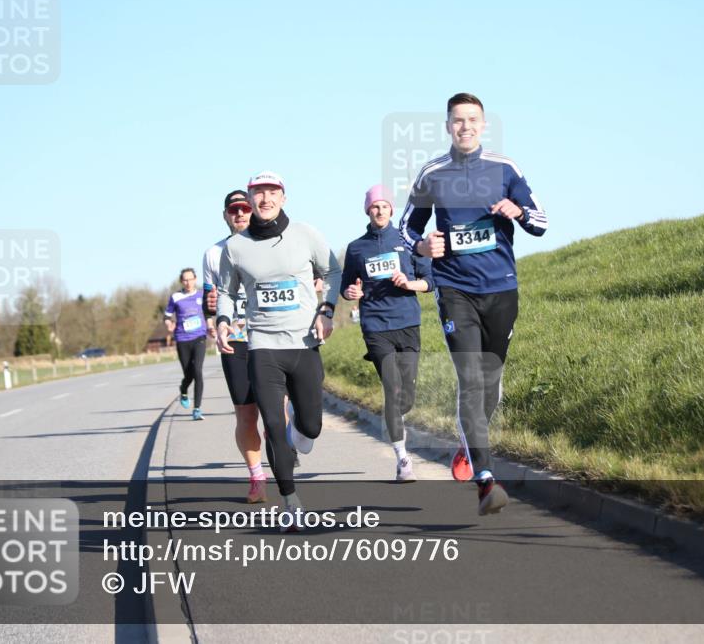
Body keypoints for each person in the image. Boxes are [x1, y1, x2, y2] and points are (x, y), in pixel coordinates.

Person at [399, 93, 548, 515]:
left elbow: (541, 222)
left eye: (472, 119)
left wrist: (517, 211)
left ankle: (468, 442)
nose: (465, 126)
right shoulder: (432, 173)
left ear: (483, 125)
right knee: (470, 378)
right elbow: (406, 228)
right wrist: (422, 246)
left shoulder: (505, 168)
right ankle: (486, 479)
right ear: (448, 126)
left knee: (490, 383)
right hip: (454, 288)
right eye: (458, 120)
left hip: (500, 288)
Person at [216, 171, 341, 530]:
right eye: (259, 193)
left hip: (303, 343)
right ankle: (291, 501)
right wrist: (223, 320)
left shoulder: (305, 234)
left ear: (283, 198)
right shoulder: (235, 247)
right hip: (263, 346)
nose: (265, 199)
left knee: (311, 427)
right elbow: (226, 291)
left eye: (272, 192)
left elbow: (333, 271)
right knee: (272, 424)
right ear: (251, 199)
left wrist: (327, 310)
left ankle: (301, 433)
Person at [342, 184, 433, 482]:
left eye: (384, 206)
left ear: (392, 210)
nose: (379, 211)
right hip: (376, 326)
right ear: (367, 211)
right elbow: (346, 286)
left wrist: (409, 283)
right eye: (374, 206)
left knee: (407, 396)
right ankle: (402, 458)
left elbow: (429, 281)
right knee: (392, 391)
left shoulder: (408, 241)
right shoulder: (356, 248)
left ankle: (398, 419)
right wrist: (351, 291)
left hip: (407, 322)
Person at [202, 190, 268, 503]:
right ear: (225, 215)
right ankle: (257, 477)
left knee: (277, 412)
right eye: (233, 210)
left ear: (253, 211)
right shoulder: (213, 254)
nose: (240, 214)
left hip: (270, 335)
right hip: (236, 339)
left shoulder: (269, 244)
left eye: (244, 208)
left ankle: (283, 445)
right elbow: (208, 300)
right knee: (245, 413)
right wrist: (210, 308)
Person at [165, 267, 208, 421]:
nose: (188, 282)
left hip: (199, 337)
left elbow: (209, 313)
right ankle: (183, 389)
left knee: (197, 371)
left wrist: (211, 327)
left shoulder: (202, 295)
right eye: (185, 280)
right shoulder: (176, 297)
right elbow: (167, 315)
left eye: (190, 279)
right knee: (188, 374)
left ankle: (197, 409)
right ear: (181, 281)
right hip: (182, 339)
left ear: (195, 279)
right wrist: (169, 324)